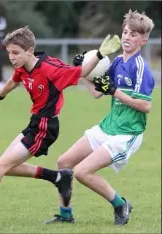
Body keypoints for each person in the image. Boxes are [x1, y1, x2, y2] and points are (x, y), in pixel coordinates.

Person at [0, 26, 121, 214]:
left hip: (45, 127)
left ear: (29, 51)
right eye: (9, 52)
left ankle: (58, 178)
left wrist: (100, 54)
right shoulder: (22, 67)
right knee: (3, 167)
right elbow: (13, 81)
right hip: (34, 123)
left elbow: (82, 71)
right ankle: (58, 178)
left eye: (15, 53)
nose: (11, 57)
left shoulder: (50, 69)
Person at [45, 9, 155, 225]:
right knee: (64, 162)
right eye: (125, 32)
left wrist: (115, 91)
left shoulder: (140, 67)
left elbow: (146, 106)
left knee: (82, 172)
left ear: (143, 40)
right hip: (108, 127)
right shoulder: (116, 64)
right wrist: (82, 71)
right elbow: (97, 92)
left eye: (133, 34)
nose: (127, 37)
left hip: (127, 133)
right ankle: (65, 215)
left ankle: (119, 203)